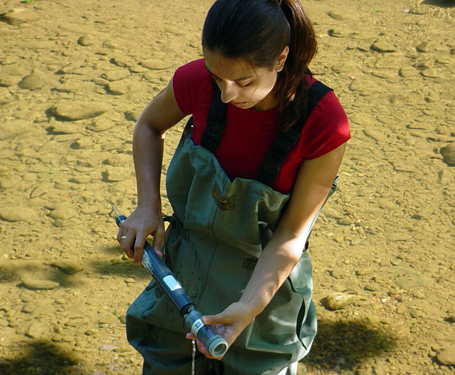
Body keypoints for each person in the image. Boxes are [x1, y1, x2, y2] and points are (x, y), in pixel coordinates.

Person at [117, 0, 350, 374]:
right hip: (185, 268)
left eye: (243, 82)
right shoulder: (194, 81)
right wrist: (147, 207)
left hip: (265, 287)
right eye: (216, 77)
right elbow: (148, 126)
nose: (226, 95)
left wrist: (250, 306)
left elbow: (291, 234)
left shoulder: (325, 123)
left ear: (280, 59)